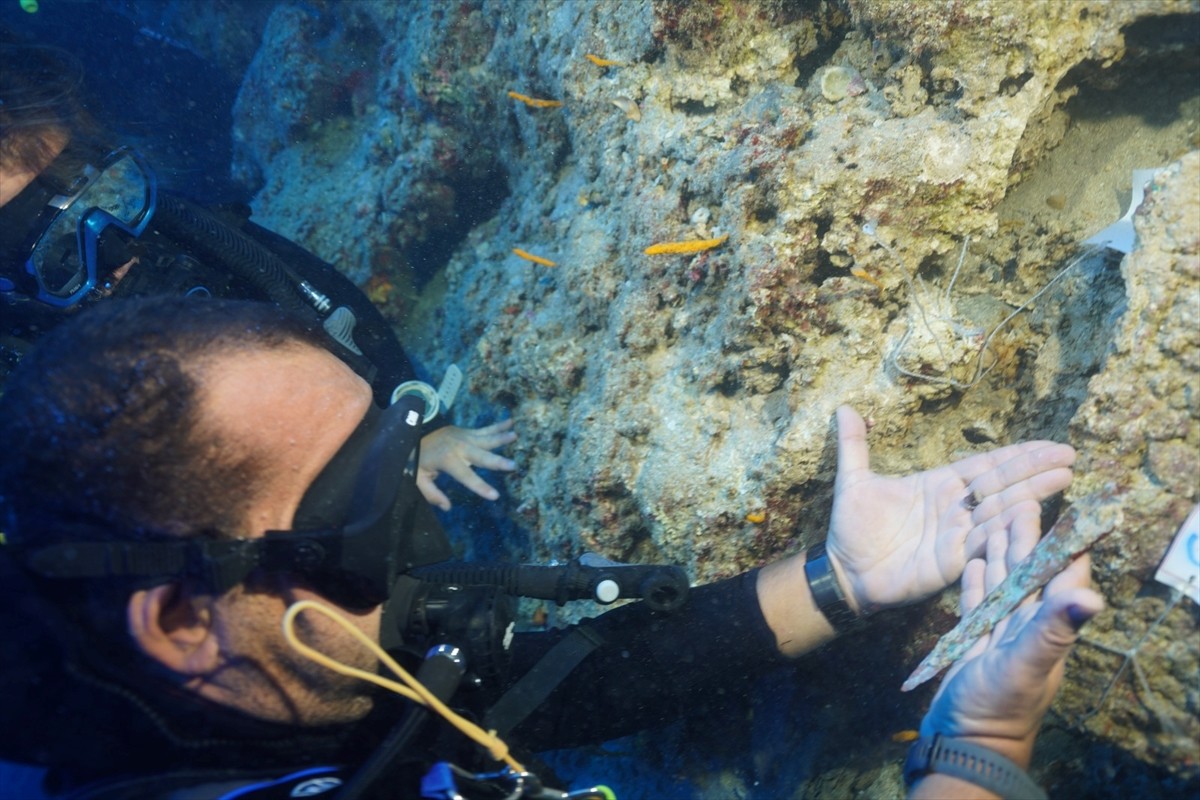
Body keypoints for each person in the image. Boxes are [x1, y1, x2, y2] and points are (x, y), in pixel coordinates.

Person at [0, 293, 1097, 799]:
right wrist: (981, 746)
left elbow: (550, 690)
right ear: (181, 617)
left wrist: (840, 580)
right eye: (359, 504)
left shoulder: (287, 670)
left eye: (398, 454)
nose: (423, 528)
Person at [0, 41, 514, 514]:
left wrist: (418, 427)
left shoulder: (184, 232)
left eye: (103, 191)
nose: (111, 243)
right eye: (37, 237)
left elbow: (317, 291)